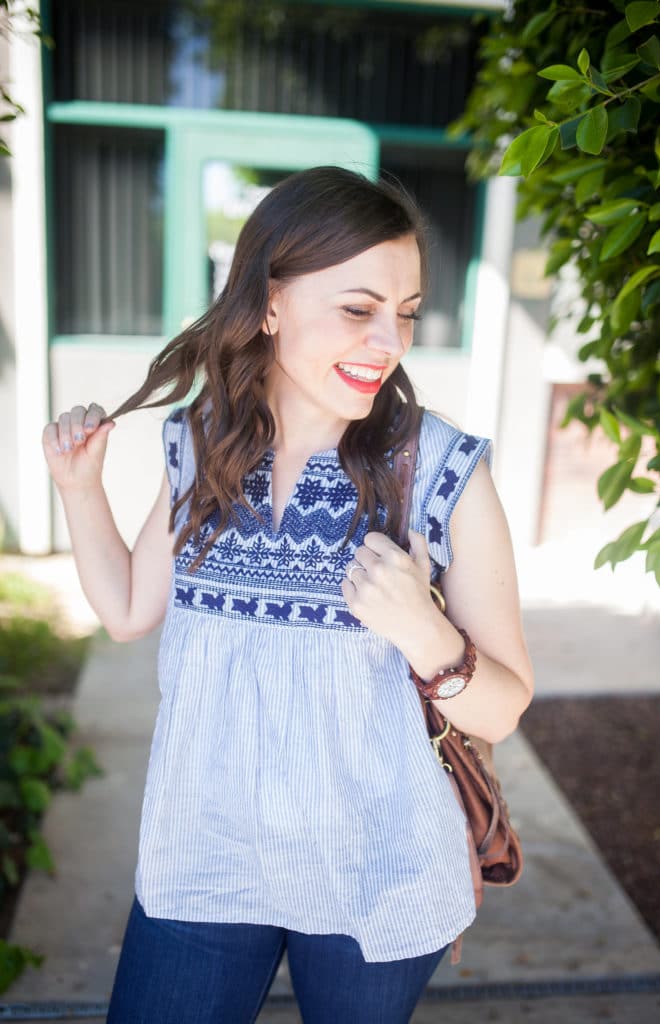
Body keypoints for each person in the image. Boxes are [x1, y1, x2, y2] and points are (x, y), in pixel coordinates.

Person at [42, 166, 534, 1024]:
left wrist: (426, 632)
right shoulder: (203, 444)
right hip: (205, 853)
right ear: (268, 301)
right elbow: (127, 611)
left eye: (407, 313)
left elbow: (504, 706)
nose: (390, 340)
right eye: (358, 308)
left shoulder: (439, 471)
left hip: (378, 872)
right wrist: (81, 490)